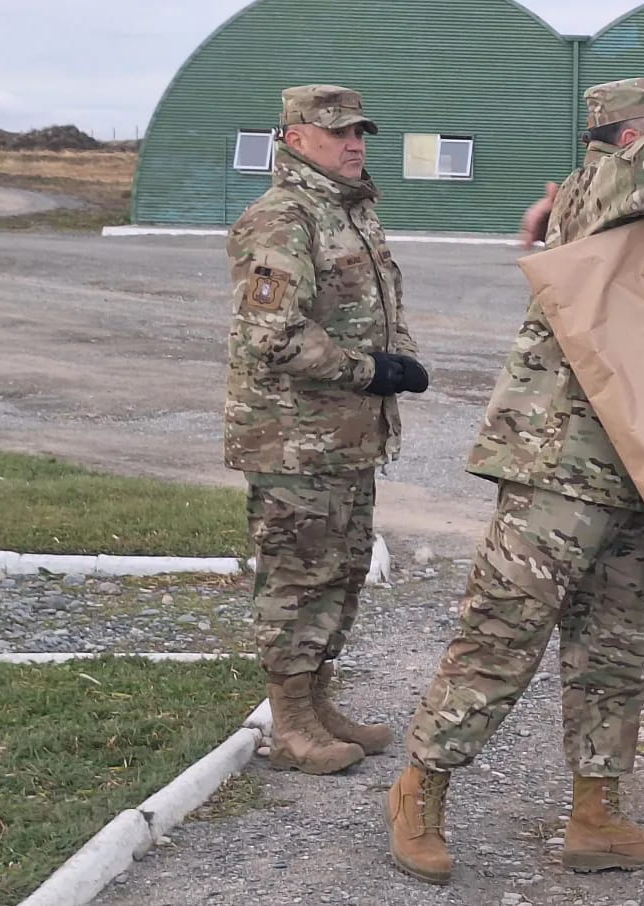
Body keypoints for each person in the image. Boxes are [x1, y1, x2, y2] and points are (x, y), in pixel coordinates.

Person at [386, 78, 644, 886]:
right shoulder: (606, 181)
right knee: (502, 638)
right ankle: (419, 792)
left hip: (631, 464)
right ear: (630, 136)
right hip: (556, 467)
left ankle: (595, 817)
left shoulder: (640, 191)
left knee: (613, 652)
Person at [225, 84, 428, 777]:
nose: (354, 144)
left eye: (359, 132)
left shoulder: (350, 212)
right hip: (293, 439)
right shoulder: (281, 219)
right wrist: (371, 370)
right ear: (294, 138)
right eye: (336, 132)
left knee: (339, 572)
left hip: (344, 438)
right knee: (296, 576)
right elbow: (271, 336)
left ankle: (316, 705)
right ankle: (290, 725)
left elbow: (369, 307)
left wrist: (395, 359)